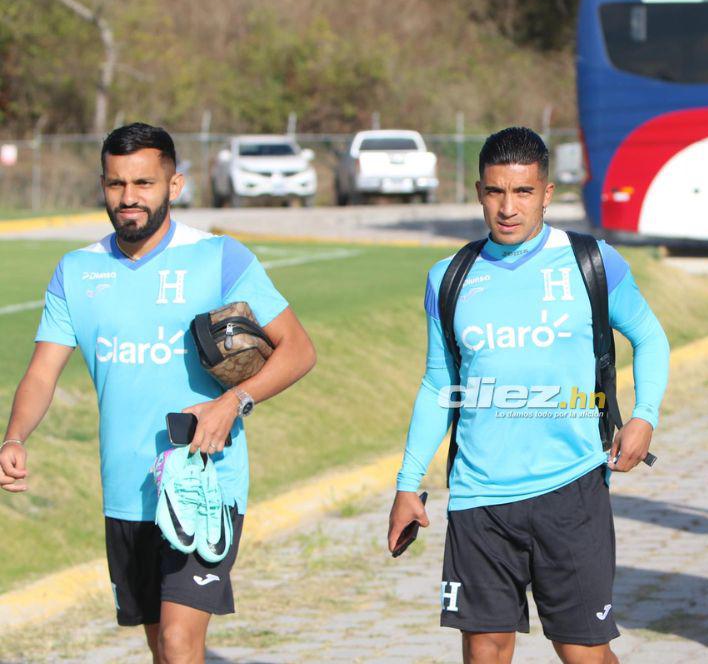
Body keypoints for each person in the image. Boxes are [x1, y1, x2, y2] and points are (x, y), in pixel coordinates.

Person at [0, 123, 316, 664]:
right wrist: (15, 436)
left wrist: (231, 403)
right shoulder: (76, 272)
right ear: (102, 185)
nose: (129, 199)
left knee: (178, 640)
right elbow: (41, 373)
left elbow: (298, 350)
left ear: (175, 185)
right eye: (116, 184)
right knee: (160, 646)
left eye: (144, 183)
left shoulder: (220, 258)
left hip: (203, 485)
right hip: (127, 490)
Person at [387, 126, 669, 664]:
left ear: (546, 193)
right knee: (486, 650)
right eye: (495, 192)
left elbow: (651, 337)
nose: (508, 207)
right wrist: (407, 485)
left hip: (571, 486)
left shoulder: (592, 262)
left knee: (582, 651)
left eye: (522, 192)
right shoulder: (448, 277)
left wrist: (644, 416)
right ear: (478, 192)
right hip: (479, 497)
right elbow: (436, 384)